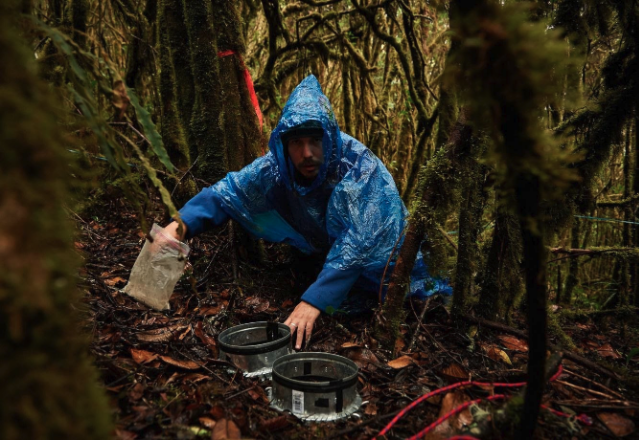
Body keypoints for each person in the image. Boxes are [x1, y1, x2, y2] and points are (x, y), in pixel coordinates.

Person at [163, 75, 451, 349]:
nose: (307, 153)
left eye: (315, 141)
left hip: (385, 267)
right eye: (297, 143)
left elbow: (361, 242)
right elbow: (228, 193)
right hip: (326, 261)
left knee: (409, 299)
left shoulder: (360, 168)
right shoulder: (276, 167)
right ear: (284, 145)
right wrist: (177, 227)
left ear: (329, 138)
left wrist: (313, 301)